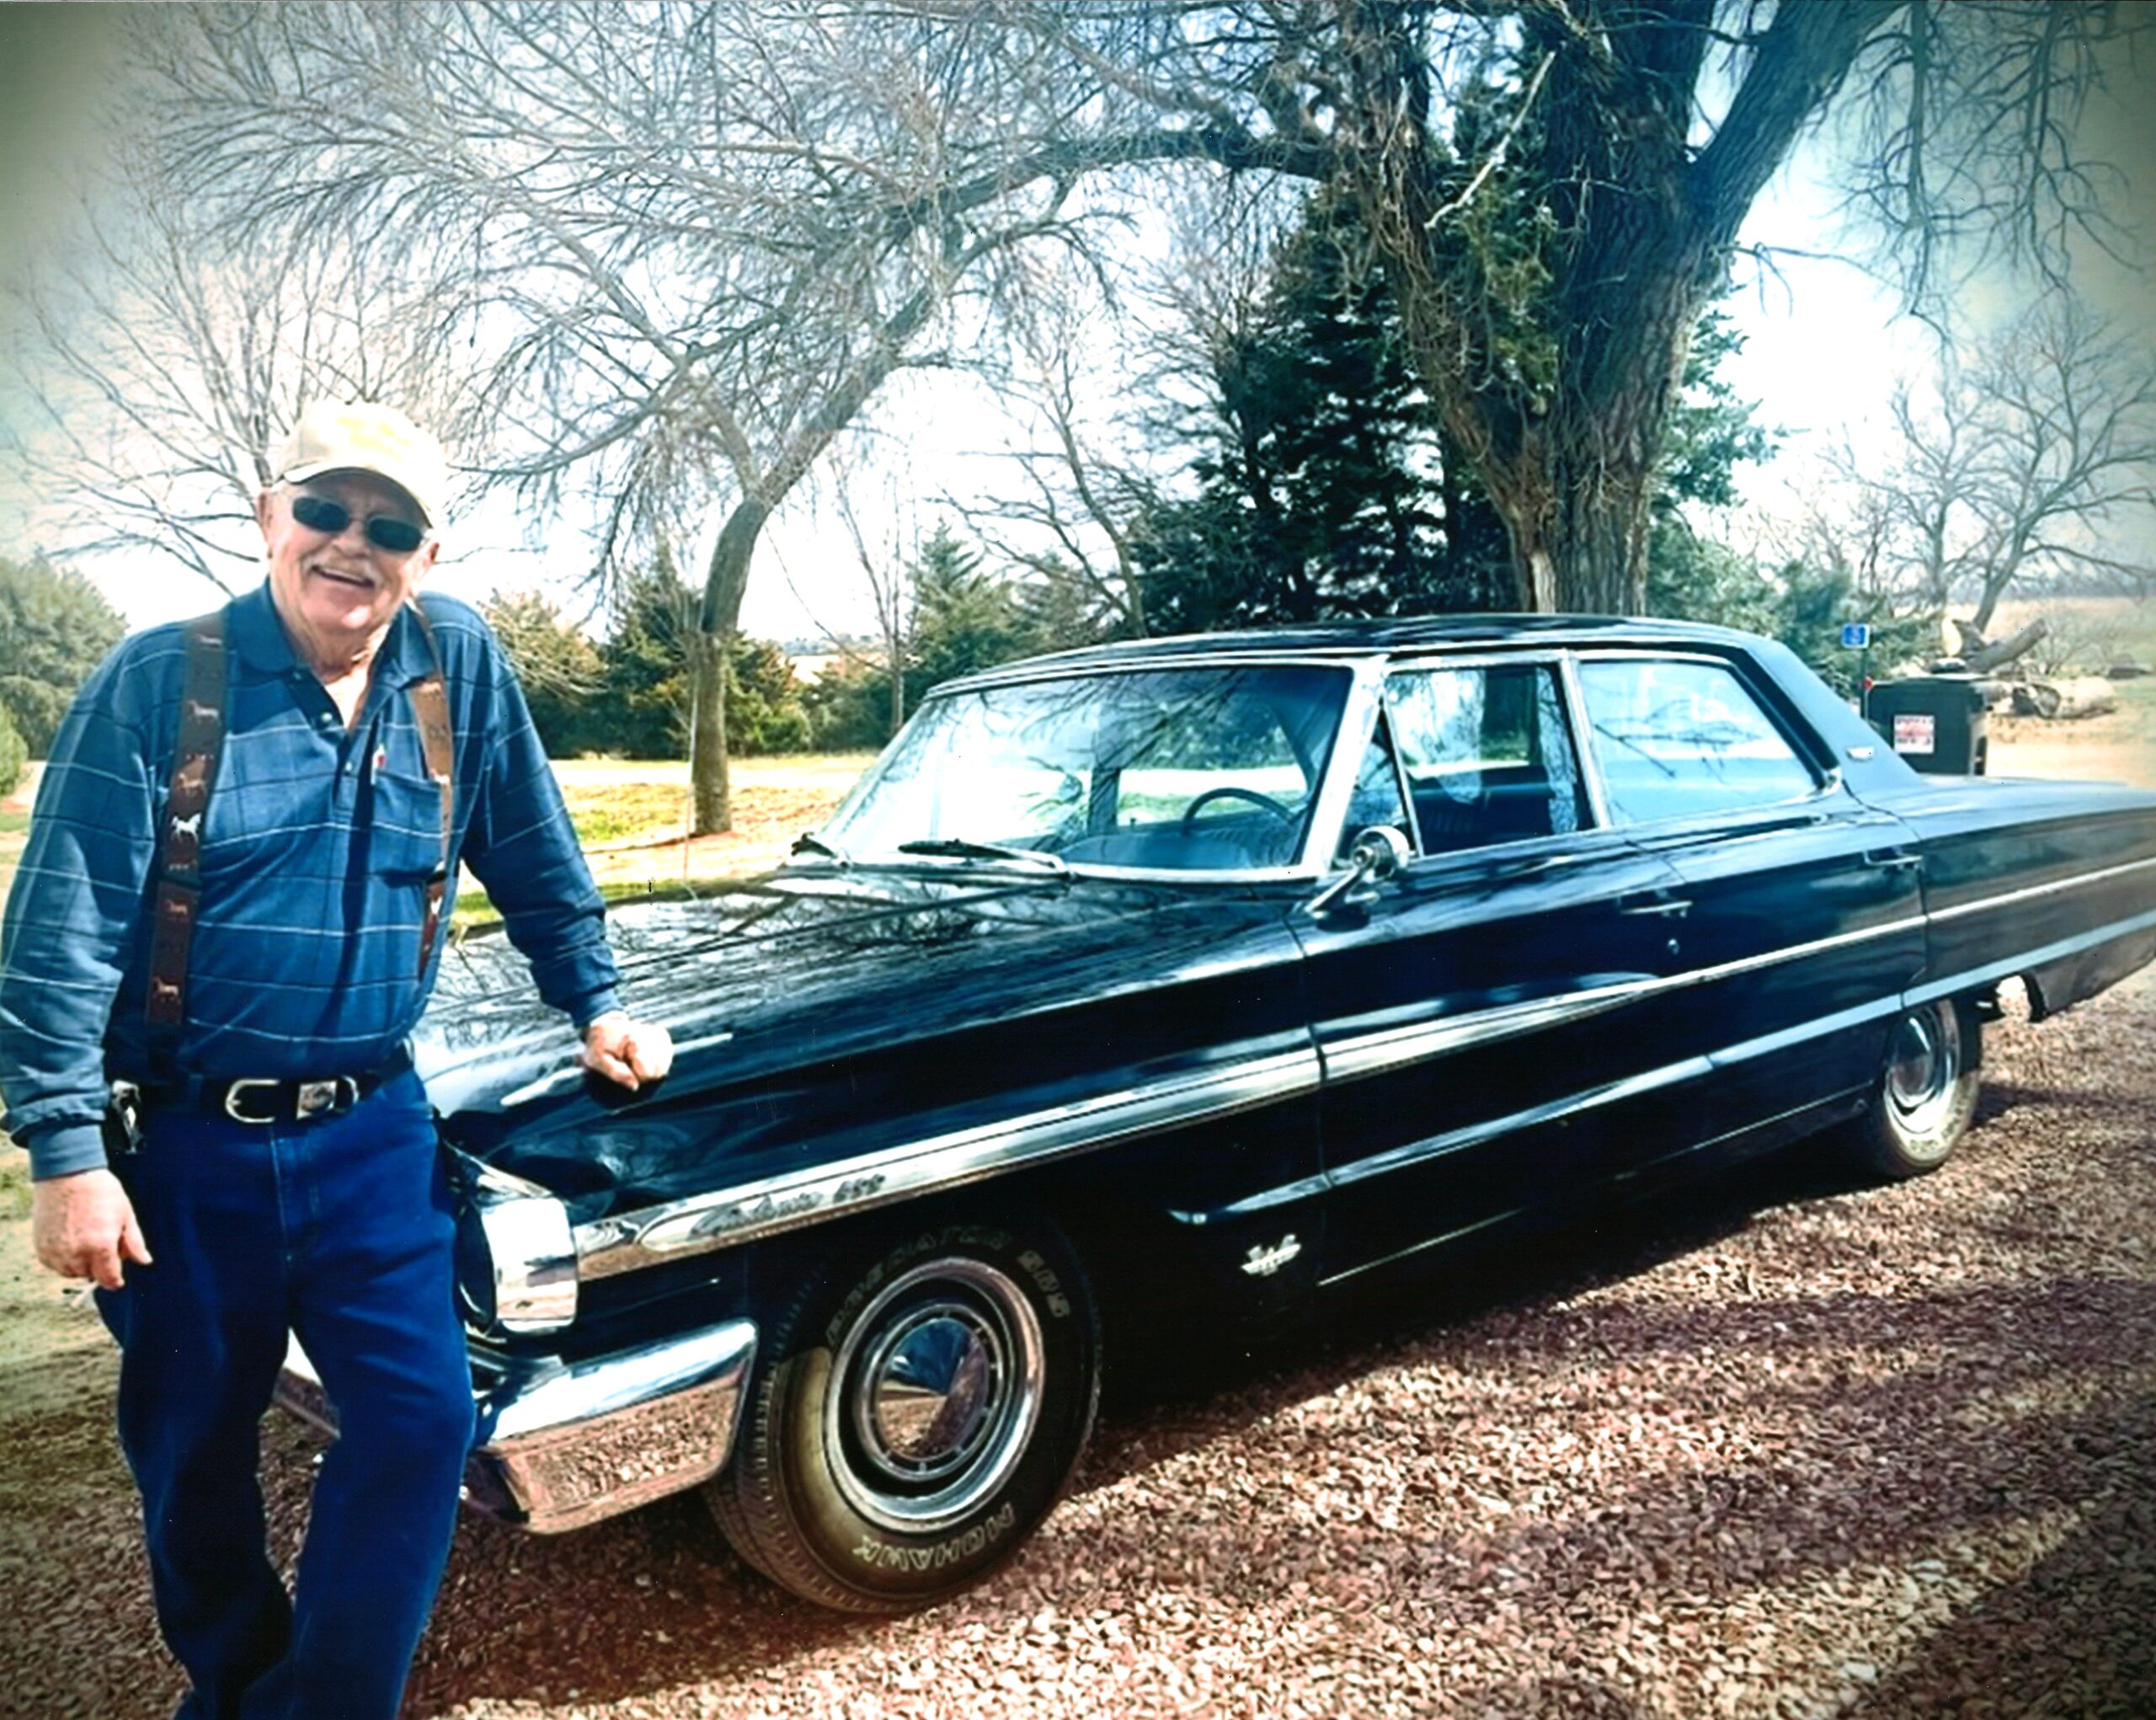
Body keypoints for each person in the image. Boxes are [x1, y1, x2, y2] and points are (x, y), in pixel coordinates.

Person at [0, 400, 673, 1720]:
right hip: (188, 1147)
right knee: (193, 1454)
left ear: (426, 552)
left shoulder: (457, 663)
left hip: (373, 1135)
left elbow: (531, 849)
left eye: (392, 525)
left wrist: (594, 998)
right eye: (326, 510)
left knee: (422, 1425)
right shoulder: (161, 681)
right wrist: (65, 1154)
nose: (352, 545)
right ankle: (238, 1680)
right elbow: (57, 932)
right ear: (270, 517)